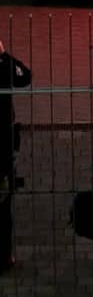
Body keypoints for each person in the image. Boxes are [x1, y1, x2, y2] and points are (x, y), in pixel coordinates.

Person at [0, 39, 30, 270]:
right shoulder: (4, 67)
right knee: (3, 207)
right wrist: (5, 56)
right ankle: (4, 256)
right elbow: (24, 77)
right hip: (2, 138)